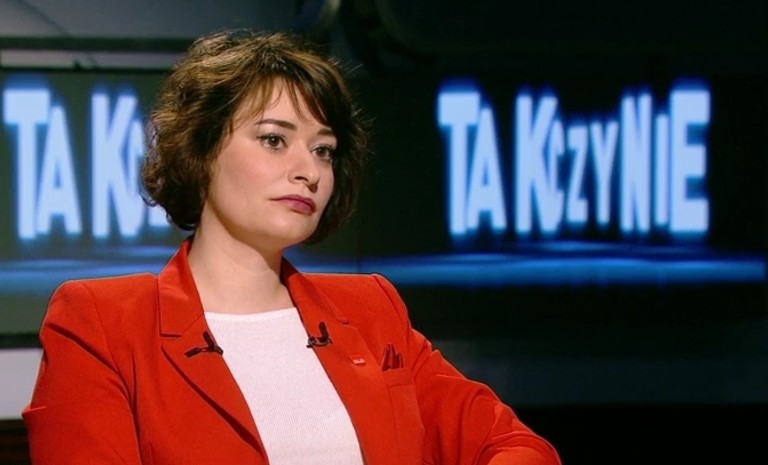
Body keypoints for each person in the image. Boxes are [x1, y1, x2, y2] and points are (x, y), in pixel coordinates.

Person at [22, 29, 562, 465]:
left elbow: (517, 447)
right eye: (274, 139)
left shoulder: (371, 311)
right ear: (202, 151)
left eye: (324, 150)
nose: (309, 171)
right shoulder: (102, 322)